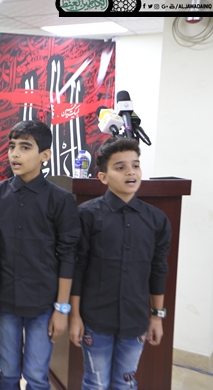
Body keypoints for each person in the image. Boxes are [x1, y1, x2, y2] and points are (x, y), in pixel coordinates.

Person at [0, 120, 81, 390]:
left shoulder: (60, 200)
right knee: (8, 374)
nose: (15, 154)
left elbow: (68, 256)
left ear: (45, 155)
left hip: (44, 304)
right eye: (11, 147)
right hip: (4, 303)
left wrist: (62, 308)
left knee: (37, 377)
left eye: (25, 147)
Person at [68, 137, 171, 390]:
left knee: (125, 383)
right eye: (120, 167)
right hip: (95, 320)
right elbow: (77, 268)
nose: (130, 172)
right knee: (95, 383)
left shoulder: (156, 220)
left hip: (135, 321)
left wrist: (157, 317)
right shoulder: (87, 215)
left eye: (135, 165)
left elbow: (159, 269)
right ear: (103, 177)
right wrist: (75, 316)